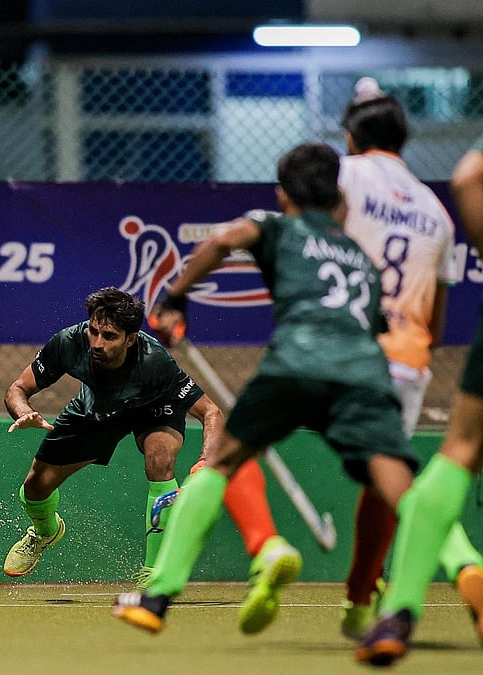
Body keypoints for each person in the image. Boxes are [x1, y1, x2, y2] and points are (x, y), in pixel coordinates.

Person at [111, 142, 420, 641]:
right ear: (339, 200)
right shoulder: (362, 258)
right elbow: (375, 323)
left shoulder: (275, 224)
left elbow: (221, 240)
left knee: (225, 461)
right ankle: (400, 614)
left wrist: (175, 300)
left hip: (295, 363)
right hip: (364, 374)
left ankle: (158, 596)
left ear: (283, 194)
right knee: (397, 485)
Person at [336, 78, 483, 639]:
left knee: (238, 439)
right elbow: (438, 325)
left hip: (345, 355)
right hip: (409, 363)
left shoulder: (343, 177)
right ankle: (359, 598)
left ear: (350, 137)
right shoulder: (438, 212)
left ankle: (464, 559)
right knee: (383, 478)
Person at [2, 287, 226, 588]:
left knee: (159, 460)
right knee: (35, 487)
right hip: (97, 411)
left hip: (153, 408)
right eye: (94, 331)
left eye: (108, 336)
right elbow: (17, 389)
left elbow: (211, 412)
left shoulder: (154, 361)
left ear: (130, 338)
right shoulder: (69, 342)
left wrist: (206, 460)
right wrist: (23, 412)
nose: (97, 342)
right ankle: (45, 531)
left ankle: (155, 573)